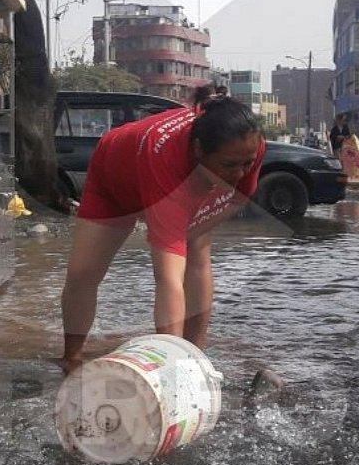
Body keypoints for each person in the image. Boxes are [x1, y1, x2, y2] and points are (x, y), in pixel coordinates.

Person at [59, 85, 266, 374]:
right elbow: (168, 281)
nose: (241, 171)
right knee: (84, 272)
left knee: (198, 255)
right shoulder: (165, 158)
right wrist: (169, 363)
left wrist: (195, 226)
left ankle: (196, 357)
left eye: (248, 163)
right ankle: (72, 358)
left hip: (188, 179)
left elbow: (238, 196)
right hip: (114, 178)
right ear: (198, 150)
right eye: (230, 165)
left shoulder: (246, 146)